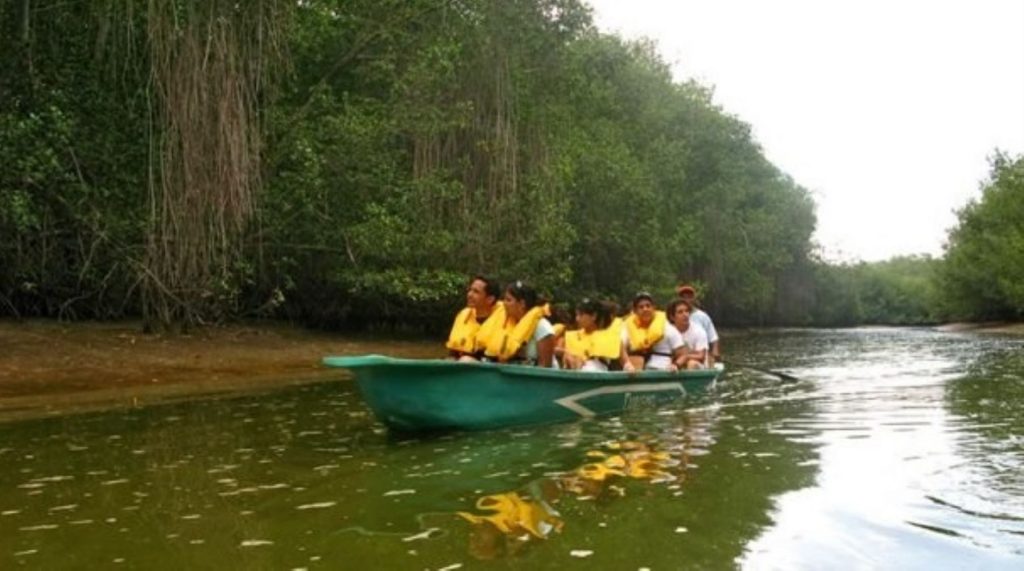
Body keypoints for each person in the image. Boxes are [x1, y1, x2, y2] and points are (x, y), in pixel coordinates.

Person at [484, 280, 558, 368]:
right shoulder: (507, 324)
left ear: (522, 304)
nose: (504, 303)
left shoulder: (542, 327)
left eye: (508, 300)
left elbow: (545, 367)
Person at [447, 275, 505, 361]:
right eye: (470, 290)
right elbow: (452, 353)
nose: (469, 294)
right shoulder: (463, 315)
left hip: (487, 366)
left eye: (476, 292)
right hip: (461, 363)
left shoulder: (504, 316)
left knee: (465, 360)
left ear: (490, 299)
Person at [620, 292, 683, 372]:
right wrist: (627, 364)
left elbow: (682, 354)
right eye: (641, 307)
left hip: (663, 370)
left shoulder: (667, 327)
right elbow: (620, 347)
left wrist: (676, 365)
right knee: (636, 358)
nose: (645, 309)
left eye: (648, 306)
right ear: (635, 311)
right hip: (636, 372)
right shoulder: (627, 327)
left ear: (654, 308)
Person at [562, 298, 627, 372]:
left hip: (597, 374)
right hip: (577, 374)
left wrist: (628, 367)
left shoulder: (609, 336)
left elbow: (627, 364)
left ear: (594, 316)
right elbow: (566, 364)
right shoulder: (574, 337)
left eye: (581, 315)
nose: (577, 319)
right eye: (577, 315)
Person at [675, 283, 720, 363]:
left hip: (699, 355)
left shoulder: (703, 316)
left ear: (693, 299)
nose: (686, 300)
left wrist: (715, 352)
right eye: (683, 297)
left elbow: (713, 338)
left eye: (689, 297)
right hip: (679, 354)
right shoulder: (673, 315)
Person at [666, 298, 709, 369]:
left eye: (687, 311)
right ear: (672, 317)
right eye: (680, 312)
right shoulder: (667, 330)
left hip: (698, 366)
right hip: (674, 364)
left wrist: (685, 357)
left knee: (691, 363)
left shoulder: (699, 331)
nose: (685, 314)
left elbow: (701, 356)